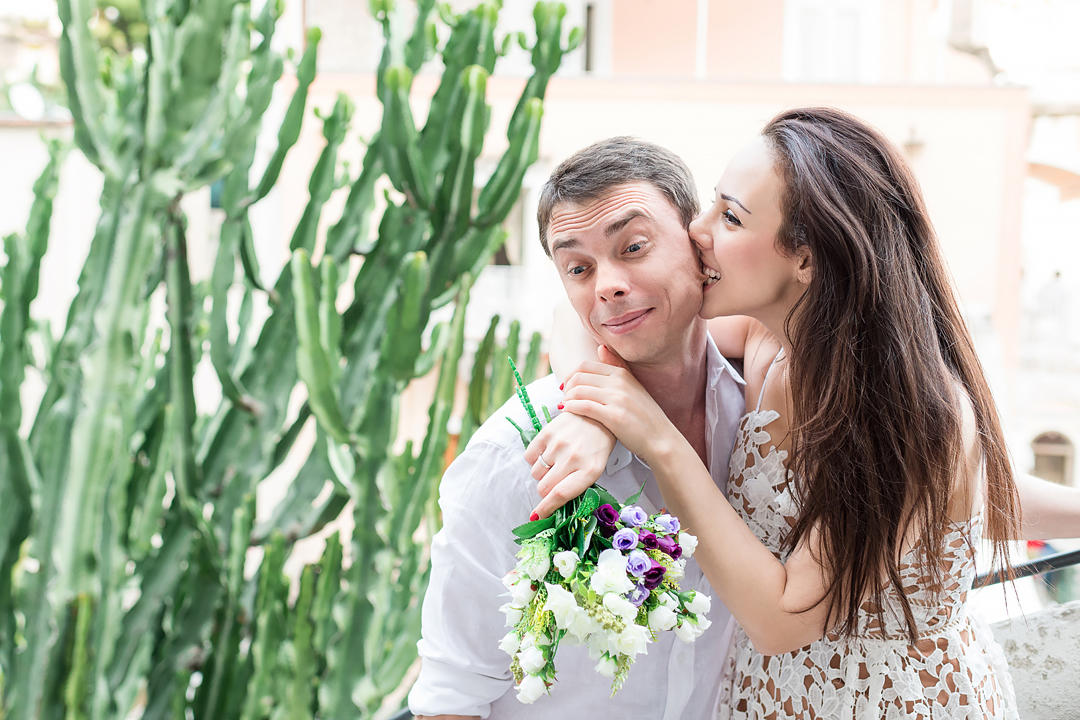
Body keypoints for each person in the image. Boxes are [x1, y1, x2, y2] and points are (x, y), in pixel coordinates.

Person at [528, 107, 1080, 719]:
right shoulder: (769, 337)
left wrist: (655, 437)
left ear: (807, 258)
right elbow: (577, 314)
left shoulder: (899, 406)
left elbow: (782, 621)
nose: (697, 230)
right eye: (712, 204)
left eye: (730, 216)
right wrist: (588, 410)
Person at [407, 137, 747, 719]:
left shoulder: (766, 417)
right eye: (578, 268)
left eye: (634, 247)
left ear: (698, 246)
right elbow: (450, 698)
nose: (606, 285)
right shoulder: (514, 456)